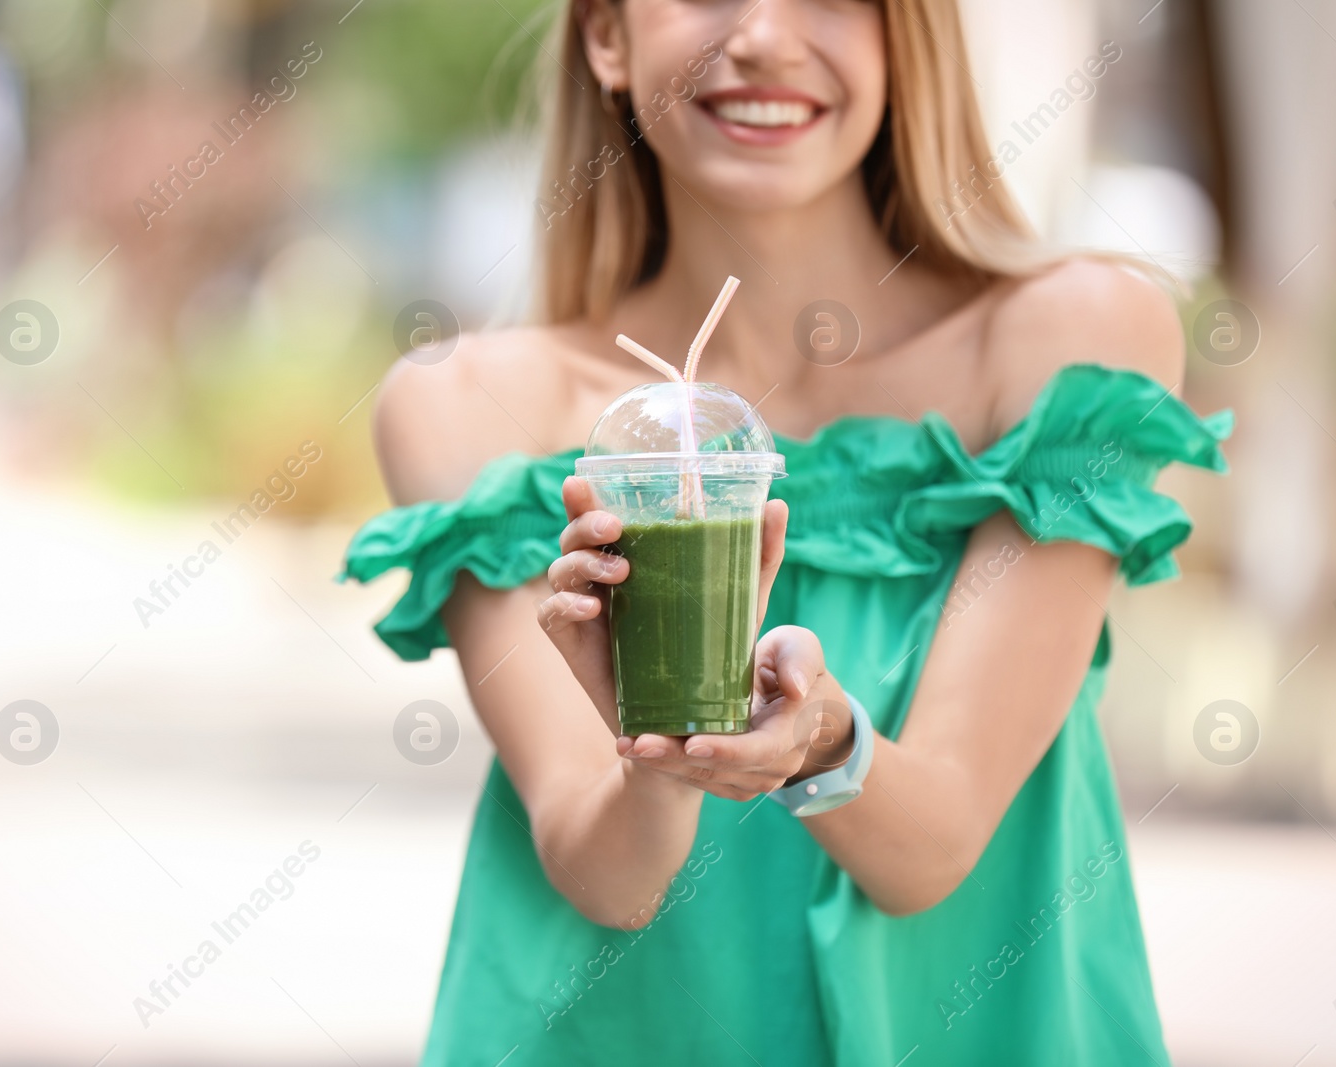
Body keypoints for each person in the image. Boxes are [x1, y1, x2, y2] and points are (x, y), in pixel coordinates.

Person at [344, 1, 1231, 1063]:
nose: (763, 34)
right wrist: (661, 751)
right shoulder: (477, 406)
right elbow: (610, 878)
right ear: (606, 36)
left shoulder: (1071, 343)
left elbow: (929, 845)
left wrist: (819, 740)